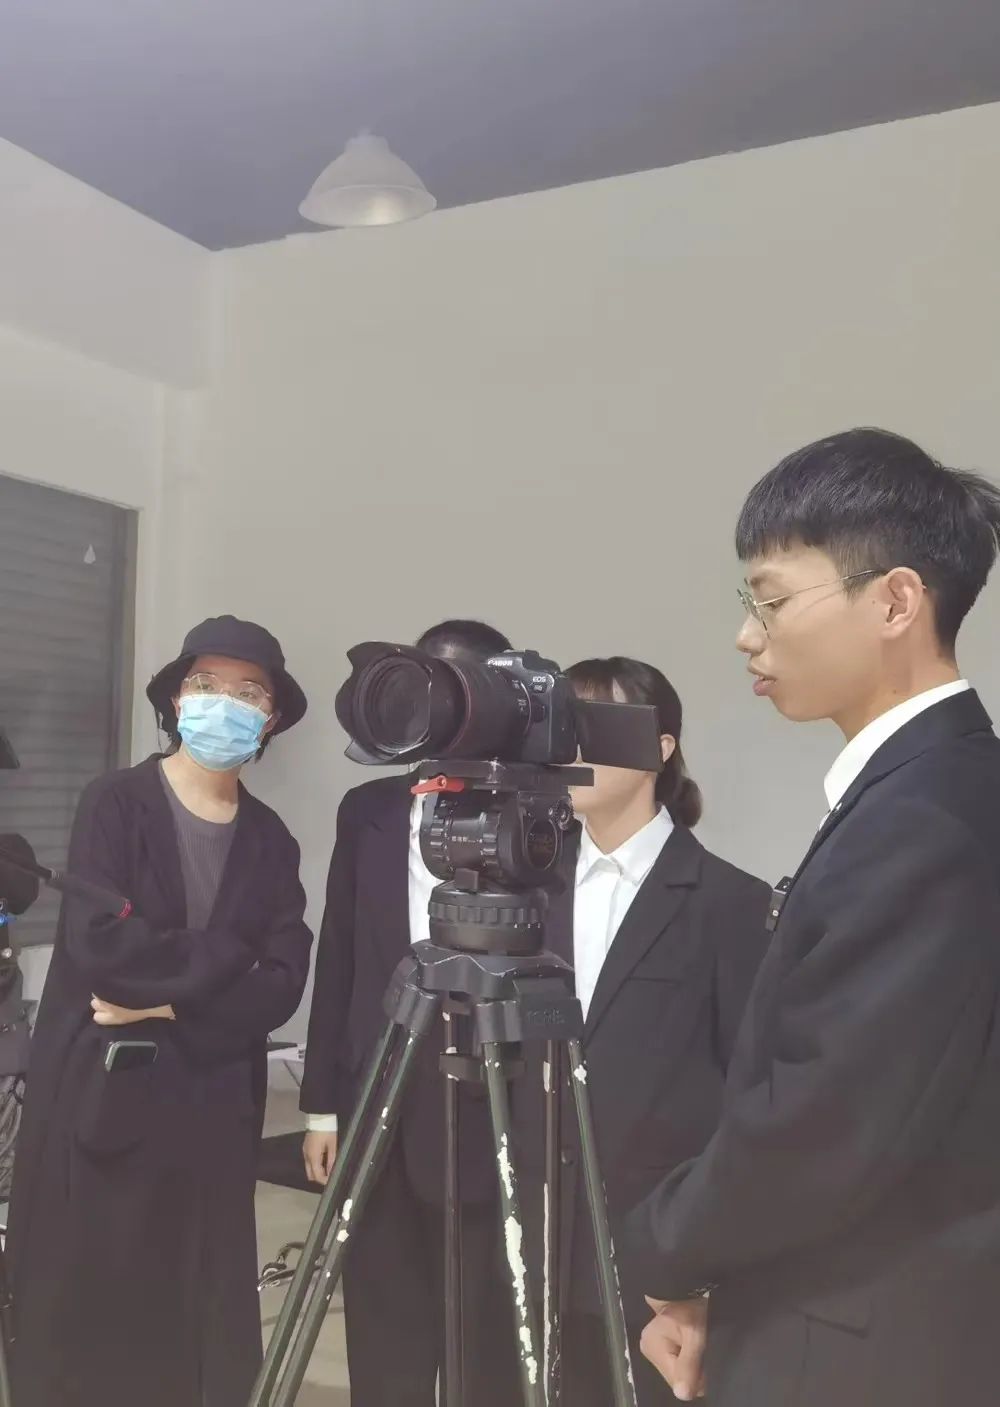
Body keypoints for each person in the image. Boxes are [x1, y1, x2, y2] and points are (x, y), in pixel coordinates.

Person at [624, 428, 1000, 1407]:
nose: (747, 635)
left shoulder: (925, 818)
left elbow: (821, 1119)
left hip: (858, 1334)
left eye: (772, 599)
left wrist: (660, 1244)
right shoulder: (941, 785)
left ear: (895, 601)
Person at [7, 615, 313, 1407]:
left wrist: (174, 1005)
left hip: (213, 1112)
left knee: (198, 1329)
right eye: (207, 683)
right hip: (103, 1100)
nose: (226, 702)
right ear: (177, 698)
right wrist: (231, 958)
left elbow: (284, 981)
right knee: (94, 1321)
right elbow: (103, 946)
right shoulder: (114, 802)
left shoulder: (273, 840)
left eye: (250, 692)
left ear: (271, 718)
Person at [508, 656, 770, 1406]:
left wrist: (705, 1263)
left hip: (657, 1255)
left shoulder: (730, 903)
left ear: (661, 745)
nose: (573, 747)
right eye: (564, 726)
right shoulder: (529, 893)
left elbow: (748, 1092)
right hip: (533, 1241)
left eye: (598, 725)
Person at [300, 618, 515, 1407]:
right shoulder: (369, 809)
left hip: (492, 1094)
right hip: (377, 1091)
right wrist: (320, 1106)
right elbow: (340, 953)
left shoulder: (530, 814)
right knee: (383, 1319)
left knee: (482, 1330)